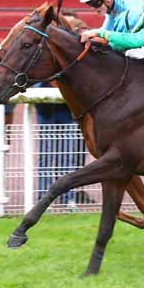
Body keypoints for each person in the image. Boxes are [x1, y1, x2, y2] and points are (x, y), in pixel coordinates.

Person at [34, 80, 89, 211]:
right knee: (46, 157)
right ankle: (44, 199)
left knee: (67, 157)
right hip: (45, 110)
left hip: (67, 112)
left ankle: (68, 199)